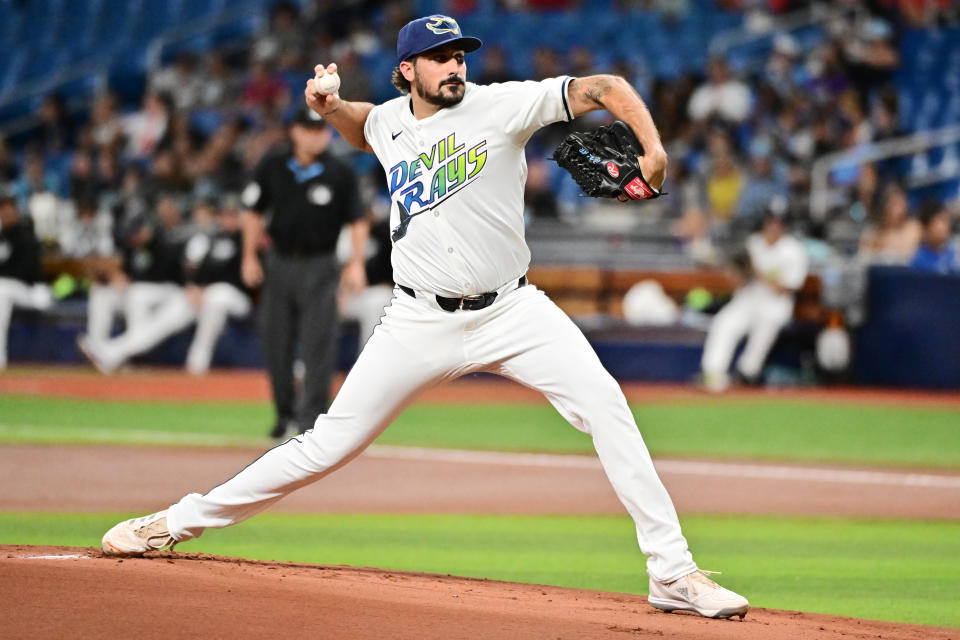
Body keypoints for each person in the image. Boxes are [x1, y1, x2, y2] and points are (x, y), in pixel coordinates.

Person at [101, 15, 749, 620]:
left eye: (458, 54)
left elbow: (604, 87)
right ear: (406, 70)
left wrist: (652, 145)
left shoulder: (502, 105)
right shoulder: (389, 121)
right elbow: (362, 126)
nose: (453, 65)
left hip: (513, 310)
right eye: (438, 57)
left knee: (606, 403)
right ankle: (173, 523)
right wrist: (330, 108)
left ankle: (672, 572)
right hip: (418, 321)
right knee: (325, 446)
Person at [240, 106, 369, 439]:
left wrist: (355, 262)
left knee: (318, 344)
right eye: (310, 129)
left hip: (321, 265)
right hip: (279, 262)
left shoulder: (339, 171)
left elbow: (358, 219)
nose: (317, 135)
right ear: (295, 131)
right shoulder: (273, 165)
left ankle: (312, 420)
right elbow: (253, 212)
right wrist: (249, 256)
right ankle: (284, 415)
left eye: (322, 130)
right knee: (275, 342)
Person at [79, 199, 251, 374]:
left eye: (232, 215)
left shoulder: (246, 238)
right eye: (224, 214)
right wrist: (193, 286)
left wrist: (204, 287)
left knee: (217, 296)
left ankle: (198, 363)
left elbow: (247, 276)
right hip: (201, 295)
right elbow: (195, 271)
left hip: (237, 297)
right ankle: (111, 353)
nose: (226, 219)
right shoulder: (208, 239)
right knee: (167, 317)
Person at [700, 209, 809, 391]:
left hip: (775, 302)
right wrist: (737, 270)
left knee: (768, 322)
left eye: (778, 222)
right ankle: (713, 374)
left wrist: (757, 272)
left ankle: (746, 374)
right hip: (749, 298)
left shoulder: (793, 249)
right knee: (724, 322)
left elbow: (785, 288)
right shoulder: (753, 243)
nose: (773, 226)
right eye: (770, 222)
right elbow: (740, 280)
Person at [0, 193, 52, 370]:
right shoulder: (2, 236)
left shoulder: (25, 234)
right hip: (14, 290)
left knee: (2, 288)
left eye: (9, 209)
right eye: (2, 210)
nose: (6, 213)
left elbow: (26, 272)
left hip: (36, 291)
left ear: (16, 211)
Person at [909, 200, 958, 274]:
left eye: (946, 220)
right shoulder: (918, 261)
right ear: (925, 228)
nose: (945, 226)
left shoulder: (955, 255)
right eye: (940, 221)